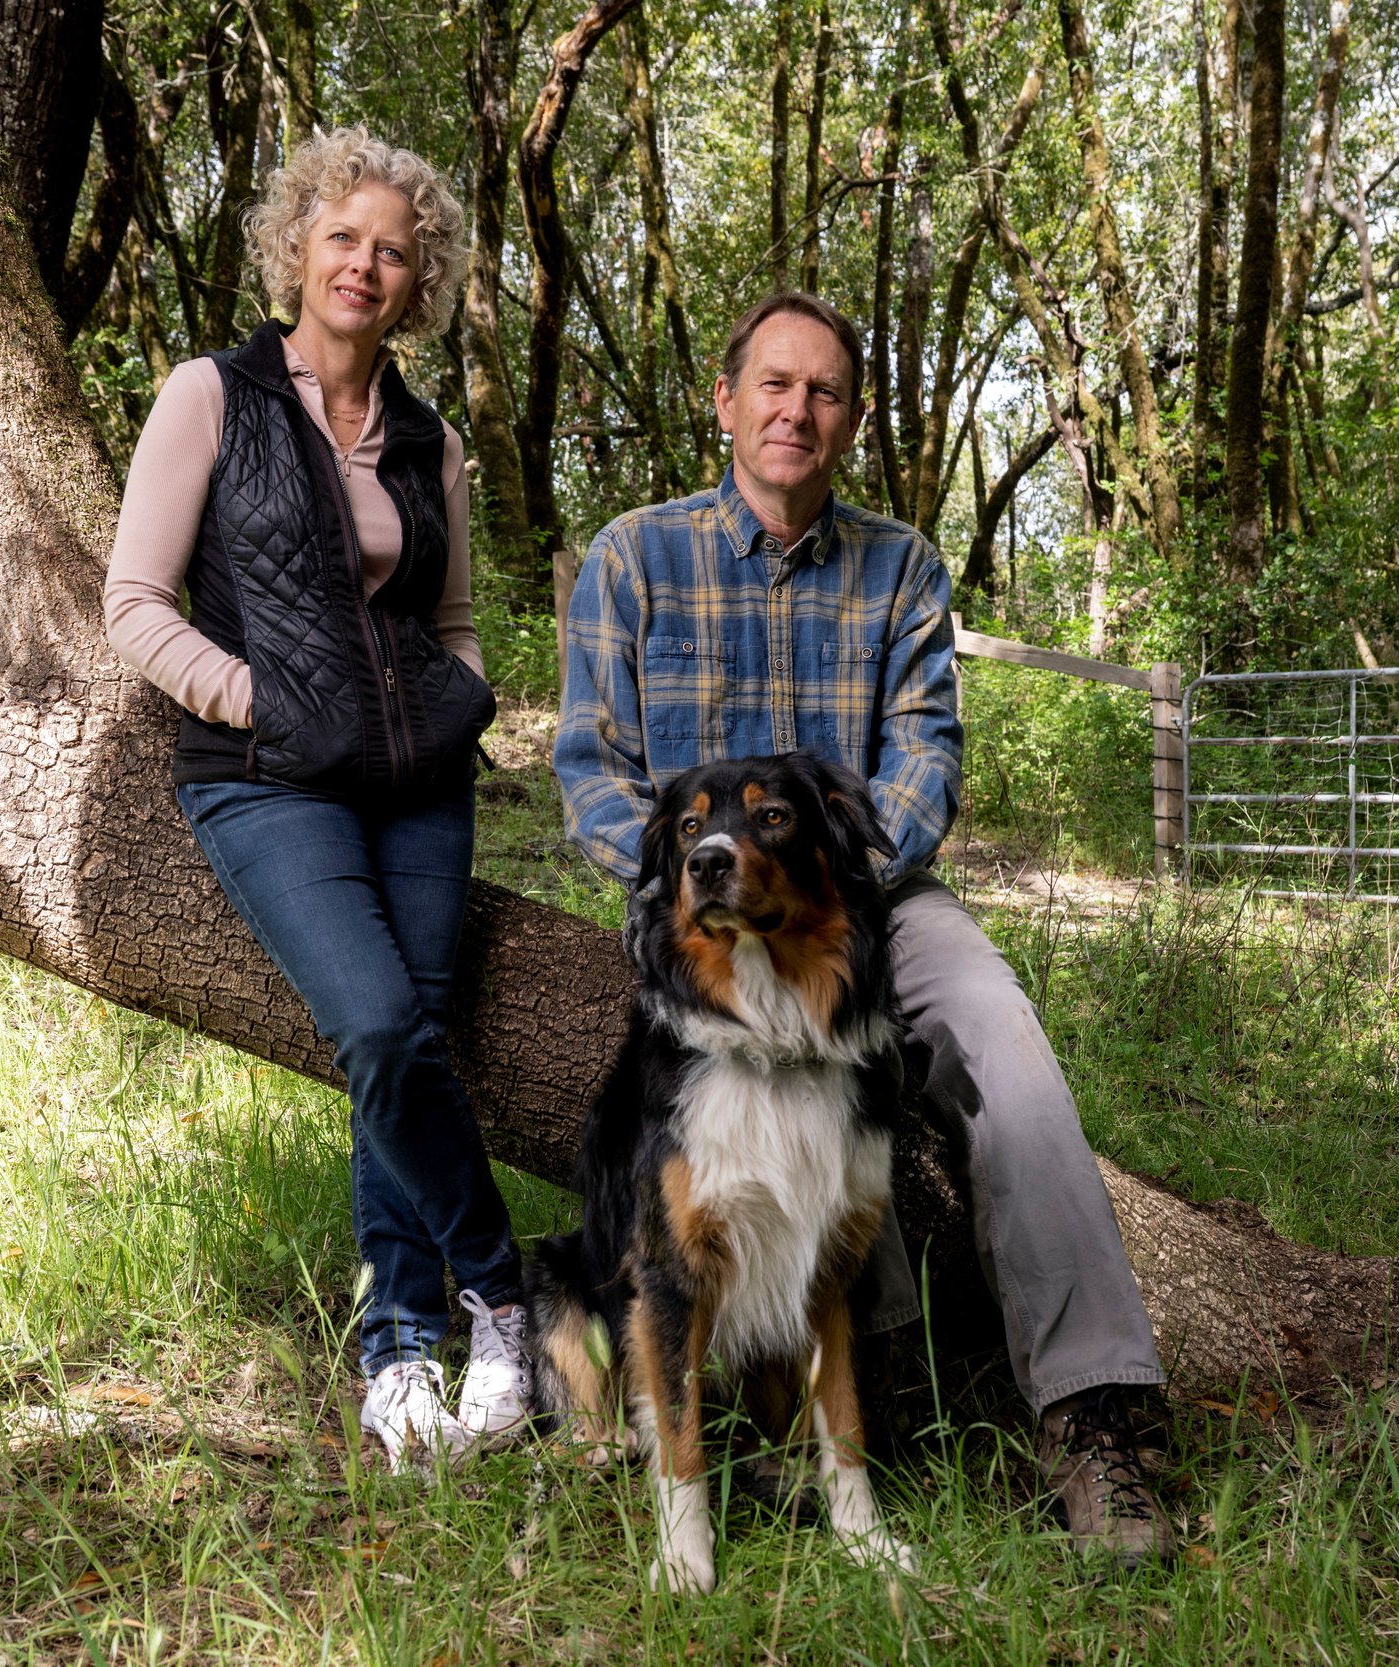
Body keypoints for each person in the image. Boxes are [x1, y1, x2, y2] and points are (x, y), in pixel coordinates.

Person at [554, 291, 1174, 1564]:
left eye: (824, 391)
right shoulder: (632, 556)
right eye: (772, 385)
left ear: (851, 419)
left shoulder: (900, 566)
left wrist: (838, 889)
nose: (796, 410)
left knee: (1004, 1048)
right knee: (699, 1126)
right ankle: (847, 1390)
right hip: (693, 916)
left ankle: (1100, 1415)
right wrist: (680, 883)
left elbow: (926, 756)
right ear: (725, 402)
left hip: (865, 898)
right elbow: (589, 764)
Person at [104, 128, 526, 1465]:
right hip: (263, 780)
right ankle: (512, 1303)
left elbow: (454, 626)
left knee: (396, 1052)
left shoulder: (429, 437)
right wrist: (257, 702)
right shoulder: (211, 395)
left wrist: (463, 701)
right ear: (298, 246)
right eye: (343, 236)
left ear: (421, 281)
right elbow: (132, 605)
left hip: (418, 787)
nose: (366, 262)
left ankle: (401, 1348)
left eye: (394, 249)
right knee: (385, 1029)